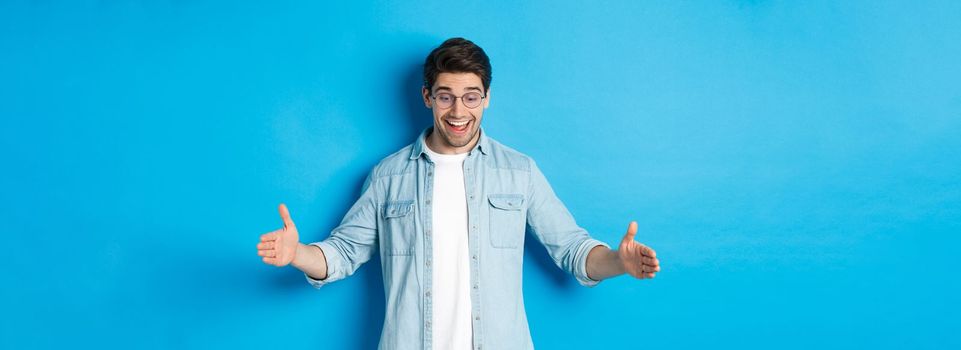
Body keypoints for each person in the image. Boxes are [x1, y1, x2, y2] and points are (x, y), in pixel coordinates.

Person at [256, 37, 660, 350]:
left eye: (471, 97)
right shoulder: (388, 176)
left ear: (486, 98)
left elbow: (572, 250)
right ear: (427, 97)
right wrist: (297, 255)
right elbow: (342, 253)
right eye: (446, 96)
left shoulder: (519, 172)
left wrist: (618, 263)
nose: (458, 111)